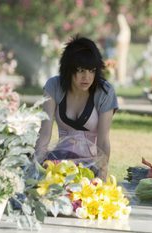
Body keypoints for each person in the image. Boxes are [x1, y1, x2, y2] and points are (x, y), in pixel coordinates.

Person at [35, 35, 118, 181]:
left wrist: (101, 177)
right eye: (80, 70)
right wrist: (36, 169)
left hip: (91, 167)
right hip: (59, 162)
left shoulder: (104, 91)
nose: (86, 77)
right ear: (68, 69)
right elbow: (44, 134)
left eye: (92, 70)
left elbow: (103, 141)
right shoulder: (54, 86)